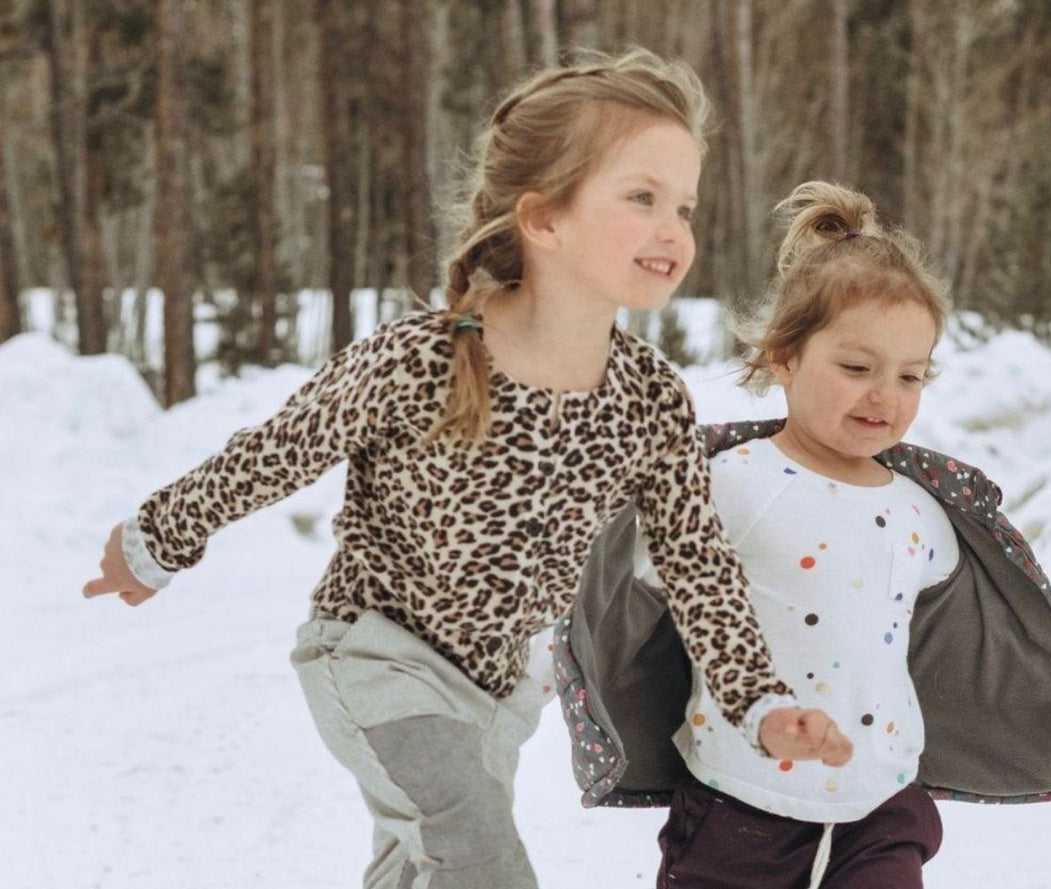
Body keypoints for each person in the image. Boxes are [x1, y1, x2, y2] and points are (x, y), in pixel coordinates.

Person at [79, 51, 850, 889]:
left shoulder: (651, 398)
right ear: (544, 219)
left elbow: (698, 566)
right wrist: (154, 540)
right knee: (481, 863)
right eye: (641, 197)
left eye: (685, 207)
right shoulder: (426, 359)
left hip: (497, 700)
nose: (675, 230)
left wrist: (762, 703)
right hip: (375, 659)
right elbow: (278, 449)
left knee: (421, 872)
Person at [552, 181, 1051, 889]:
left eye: (911, 375)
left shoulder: (920, 511)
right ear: (785, 355)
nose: (885, 396)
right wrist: (528, 647)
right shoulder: (728, 485)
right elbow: (606, 593)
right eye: (857, 367)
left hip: (882, 805)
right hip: (738, 803)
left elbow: (967, 641)